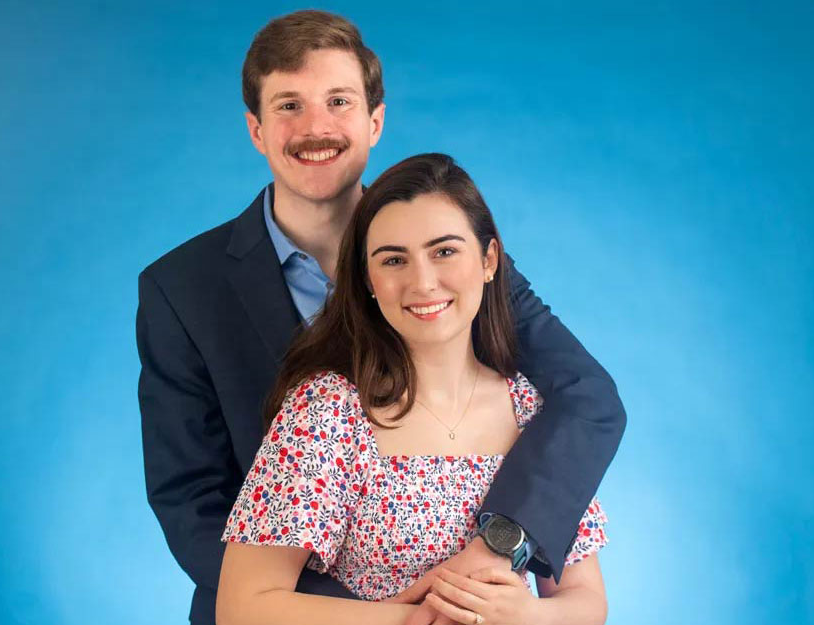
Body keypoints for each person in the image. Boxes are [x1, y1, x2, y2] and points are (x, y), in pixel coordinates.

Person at [136, 10, 624, 625]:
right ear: (255, 129)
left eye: (338, 101)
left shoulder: (459, 264)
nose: (316, 127)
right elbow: (191, 499)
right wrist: (387, 615)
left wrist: (497, 553)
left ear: (375, 120)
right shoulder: (183, 289)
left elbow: (588, 400)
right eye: (289, 105)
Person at [217, 153, 609, 625]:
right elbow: (244, 607)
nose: (422, 282)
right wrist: (415, 621)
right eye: (394, 260)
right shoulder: (327, 412)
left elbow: (585, 601)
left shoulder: (532, 409)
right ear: (368, 281)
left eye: (444, 251)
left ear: (489, 261)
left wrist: (527, 616)